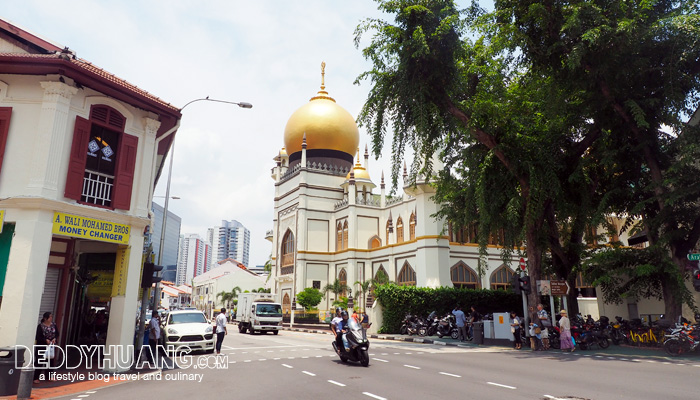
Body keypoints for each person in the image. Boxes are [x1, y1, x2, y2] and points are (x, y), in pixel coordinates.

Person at [34, 312, 59, 383]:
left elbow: (57, 333)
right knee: (39, 361)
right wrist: (45, 340)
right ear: (45, 318)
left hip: (50, 346)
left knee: (50, 361)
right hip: (42, 346)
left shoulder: (53, 325)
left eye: (51, 316)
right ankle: (36, 377)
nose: (51, 318)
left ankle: (49, 376)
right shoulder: (40, 326)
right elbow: (38, 336)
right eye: (50, 317)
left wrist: (54, 339)